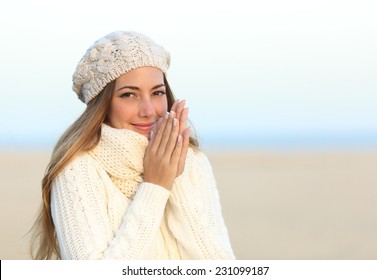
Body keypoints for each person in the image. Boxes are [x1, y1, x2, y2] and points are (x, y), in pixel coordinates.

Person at [30, 31, 235, 260]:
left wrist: (174, 176)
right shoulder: (78, 170)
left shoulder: (193, 162)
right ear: (103, 104)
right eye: (129, 95)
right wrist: (156, 186)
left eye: (157, 92)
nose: (149, 110)